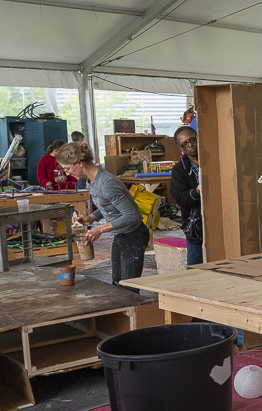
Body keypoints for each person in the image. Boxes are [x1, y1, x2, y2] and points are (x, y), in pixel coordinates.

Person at [55, 142, 149, 292]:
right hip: (121, 234)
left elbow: (131, 216)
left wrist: (100, 229)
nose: (67, 173)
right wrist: (91, 218)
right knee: (118, 285)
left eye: (67, 168)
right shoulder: (92, 180)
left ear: (79, 162)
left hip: (133, 235)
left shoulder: (106, 183)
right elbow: (108, 205)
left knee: (129, 289)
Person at [169, 125, 203, 265]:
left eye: (192, 140)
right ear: (180, 148)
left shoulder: (213, 160)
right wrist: (197, 191)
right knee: (195, 266)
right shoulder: (179, 170)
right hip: (196, 224)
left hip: (219, 218)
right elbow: (180, 198)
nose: (190, 145)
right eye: (185, 144)